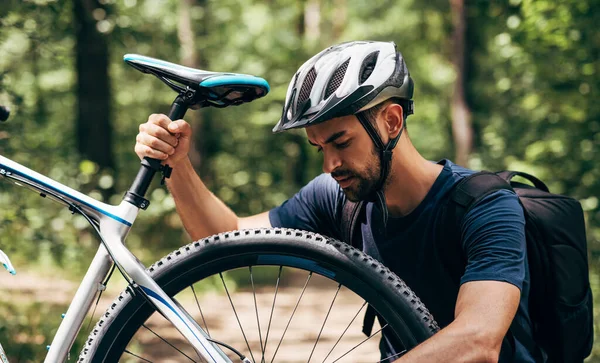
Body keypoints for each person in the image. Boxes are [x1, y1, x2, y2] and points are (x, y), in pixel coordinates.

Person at [134, 41, 538, 362]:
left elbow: (479, 340)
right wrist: (178, 164)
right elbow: (224, 239)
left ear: (391, 121)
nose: (330, 164)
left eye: (341, 142)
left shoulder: (484, 206)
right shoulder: (340, 197)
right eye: (318, 148)